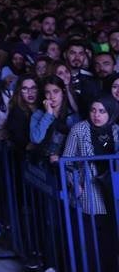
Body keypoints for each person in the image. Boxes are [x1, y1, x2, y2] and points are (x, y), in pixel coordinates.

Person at [62, 96, 119, 272]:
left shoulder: (116, 130)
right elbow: (67, 161)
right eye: (93, 110)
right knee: (92, 240)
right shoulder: (79, 130)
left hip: (113, 191)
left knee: (112, 238)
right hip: (90, 189)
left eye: (102, 111)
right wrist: (75, 183)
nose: (97, 115)